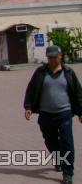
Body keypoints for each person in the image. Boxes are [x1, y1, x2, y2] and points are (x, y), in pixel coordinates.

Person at [24, 45, 82, 184]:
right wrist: (28, 107)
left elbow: (78, 93)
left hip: (64, 113)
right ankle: (59, 159)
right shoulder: (40, 72)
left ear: (60, 56)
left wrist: (80, 112)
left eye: (54, 56)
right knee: (51, 141)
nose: (52, 59)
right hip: (45, 114)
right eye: (49, 57)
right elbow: (31, 89)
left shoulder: (68, 72)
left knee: (67, 143)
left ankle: (68, 173)